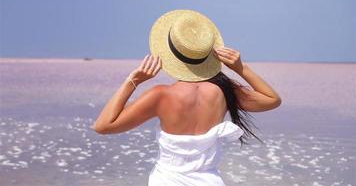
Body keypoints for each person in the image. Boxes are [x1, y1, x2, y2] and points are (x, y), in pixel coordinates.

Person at [92, 10, 282, 186]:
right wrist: (241, 68)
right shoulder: (225, 90)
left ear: (170, 55)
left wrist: (132, 81)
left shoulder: (160, 95)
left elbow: (103, 126)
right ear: (207, 54)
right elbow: (272, 99)